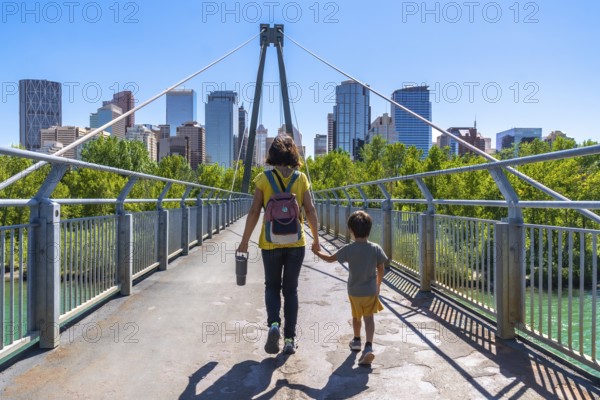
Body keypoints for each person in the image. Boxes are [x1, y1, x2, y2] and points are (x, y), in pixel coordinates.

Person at [237, 135, 320, 355]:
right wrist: (317, 239)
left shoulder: (263, 179)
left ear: (271, 154)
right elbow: (310, 210)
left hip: (270, 242)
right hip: (296, 242)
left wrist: (244, 242)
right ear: (294, 153)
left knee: (271, 286)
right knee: (290, 290)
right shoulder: (301, 178)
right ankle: (290, 340)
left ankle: (274, 325)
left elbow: (255, 211)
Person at [312, 210, 387, 366]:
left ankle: (357, 341)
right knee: (369, 318)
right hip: (370, 291)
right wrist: (378, 285)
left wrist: (317, 252)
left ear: (351, 231)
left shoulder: (348, 249)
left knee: (356, 316)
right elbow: (381, 268)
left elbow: (329, 259)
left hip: (354, 292)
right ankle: (369, 346)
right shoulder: (375, 248)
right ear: (369, 230)